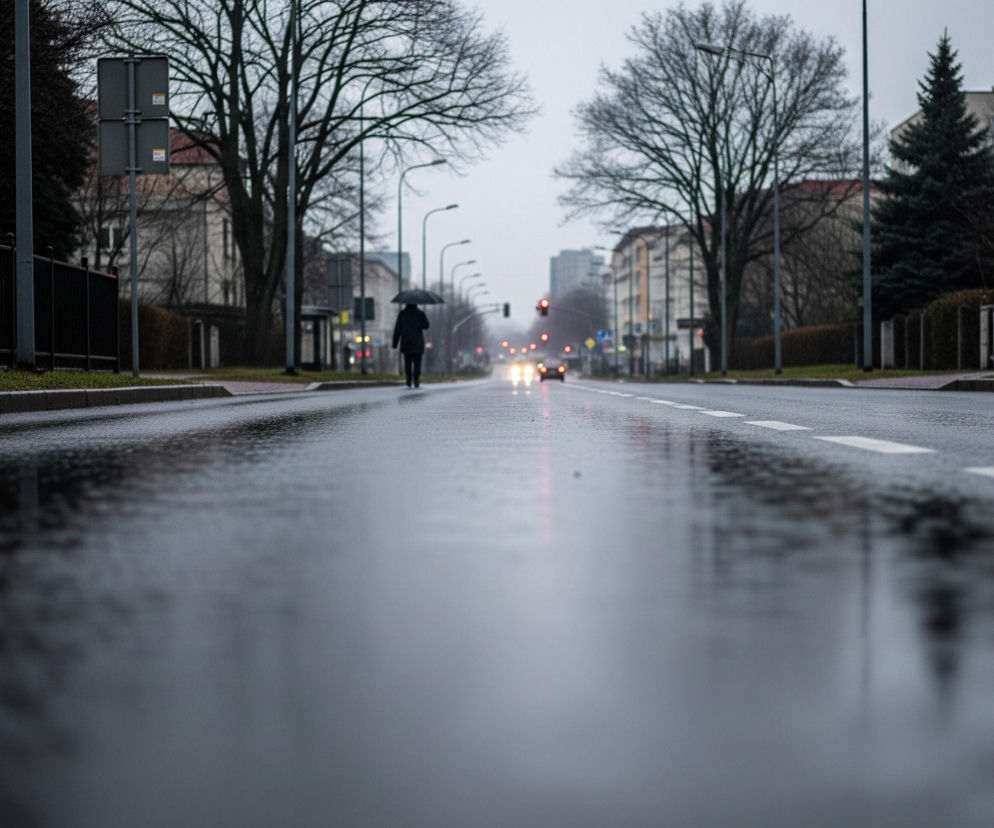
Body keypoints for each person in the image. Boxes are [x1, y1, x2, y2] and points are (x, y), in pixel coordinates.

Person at [392, 303, 430, 387]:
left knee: (407, 362)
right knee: (417, 362)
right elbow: (426, 325)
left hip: (406, 342)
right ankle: (416, 380)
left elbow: (397, 329)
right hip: (418, 342)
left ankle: (408, 380)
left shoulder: (402, 314)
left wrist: (395, 343)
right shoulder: (420, 313)